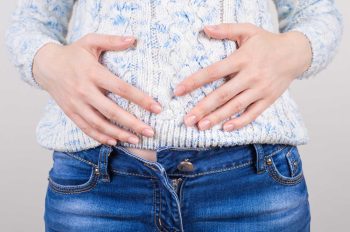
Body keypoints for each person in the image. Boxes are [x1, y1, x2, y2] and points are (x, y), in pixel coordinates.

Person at [5, 0, 343, 231]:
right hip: (97, 186)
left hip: (251, 183)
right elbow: (30, 22)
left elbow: (317, 12)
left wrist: (291, 51)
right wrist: (50, 63)